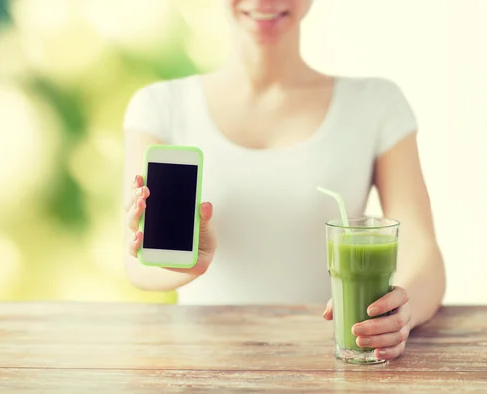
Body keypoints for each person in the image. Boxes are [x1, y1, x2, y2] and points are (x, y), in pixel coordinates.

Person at [122, 0, 445, 361]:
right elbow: (135, 262)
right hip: (200, 366)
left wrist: (402, 312)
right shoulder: (159, 106)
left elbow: (423, 252)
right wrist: (186, 263)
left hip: (329, 363)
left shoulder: (376, 104)